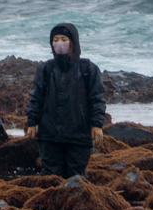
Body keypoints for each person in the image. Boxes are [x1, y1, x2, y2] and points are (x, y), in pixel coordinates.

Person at [25, 22, 105, 179]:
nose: (59, 43)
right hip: (49, 136)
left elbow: (96, 99)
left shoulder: (88, 69)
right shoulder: (45, 69)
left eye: (63, 39)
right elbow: (36, 97)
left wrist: (97, 125)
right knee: (50, 178)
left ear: (73, 43)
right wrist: (32, 122)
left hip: (78, 137)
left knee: (76, 179)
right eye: (55, 40)